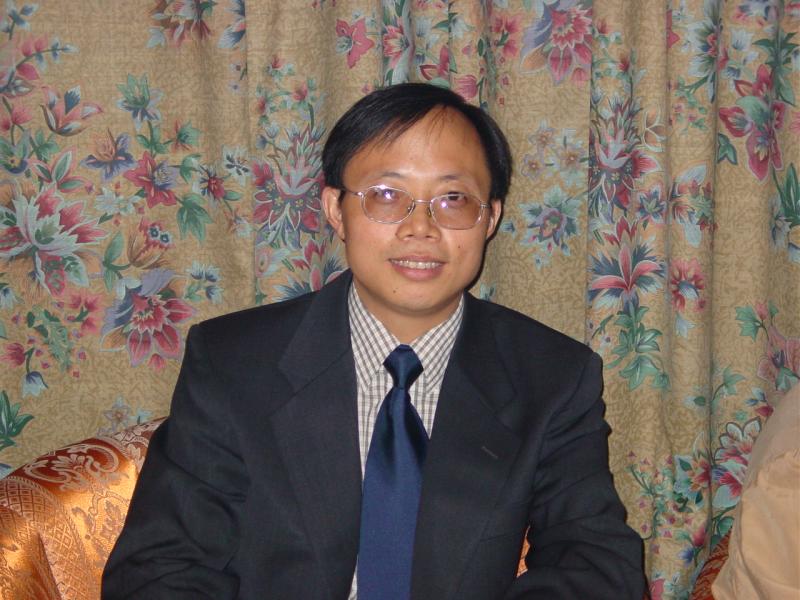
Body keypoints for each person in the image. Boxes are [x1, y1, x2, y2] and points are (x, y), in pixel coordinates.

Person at [102, 83, 644, 599]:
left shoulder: (552, 377)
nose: (420, 227)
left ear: (490, 219)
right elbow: (161, 567)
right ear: (335, 210)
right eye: (386, 196)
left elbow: (596, 563)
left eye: (453, 199)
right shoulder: (233, 362)